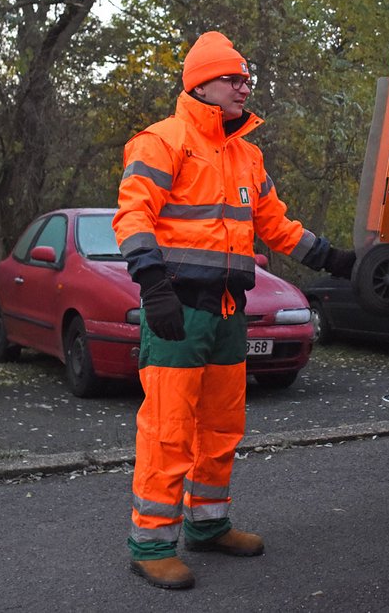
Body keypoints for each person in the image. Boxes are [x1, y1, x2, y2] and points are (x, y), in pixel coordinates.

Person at [113, 31, 356, 590]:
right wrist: (153, 287)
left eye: (246, 78)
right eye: (233, 78)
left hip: (227, 312)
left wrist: (337, 260)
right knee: (169, 430)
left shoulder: (247, 154)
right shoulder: (161, 142)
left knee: (221, 427)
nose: (244, 87)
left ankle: (207, 525)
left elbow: (277, 226)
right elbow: (132, 218)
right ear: (201, 85)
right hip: (177, 310)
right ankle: (150, 544)